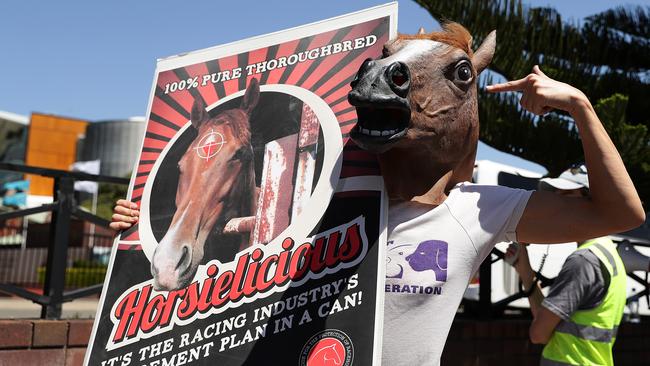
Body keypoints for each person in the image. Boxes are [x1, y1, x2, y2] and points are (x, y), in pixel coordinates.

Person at [112, 60, 645, 364]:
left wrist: (579, 106)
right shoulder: (312, 199)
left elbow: (619, 213)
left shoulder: (475, 209)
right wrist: (138, 229)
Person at [506, 167, 627, 366]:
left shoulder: (583, 261)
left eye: (566, 196)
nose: (558, 205)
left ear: (592, 200)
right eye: (557, 196)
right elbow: (546, 325)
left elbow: (538, 334)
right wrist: (526, 272)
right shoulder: (606, 252)